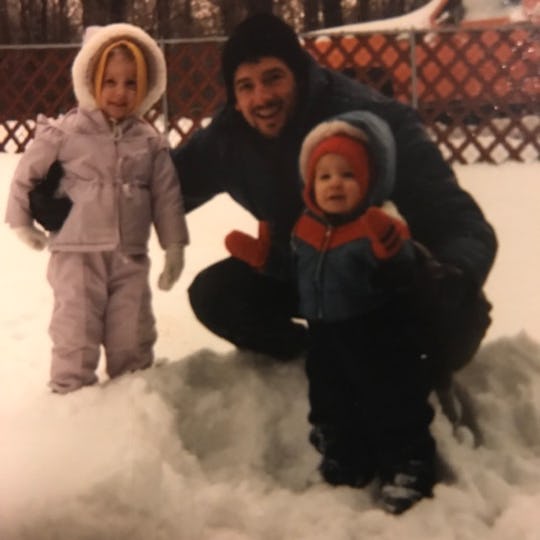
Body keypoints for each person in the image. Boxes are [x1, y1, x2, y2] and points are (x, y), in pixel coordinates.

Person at [28, 15, 495, 398]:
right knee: (216, 294)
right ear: (234, 95)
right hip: (307, 271)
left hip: (390, 278)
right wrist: (67, 198)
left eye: (273, 78)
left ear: (301, 73)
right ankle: (322, 356)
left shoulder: (374, 124)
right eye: (245, 86)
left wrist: (453, 273)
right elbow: (156, 188)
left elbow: (464, 223)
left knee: (447, 324)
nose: (262, 98)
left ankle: (398, 371)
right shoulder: (230, 138)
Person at [5, 23, 189, 393]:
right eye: (111, 82)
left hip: (129, 258)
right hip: (76, 256)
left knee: (131, 332)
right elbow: (26, 175)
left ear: (146, 87)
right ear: (91, 82)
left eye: (131, 83)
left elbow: (166, 197)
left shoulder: (149, 143)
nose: (121, 93)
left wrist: (174, 247)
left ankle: (131, 401)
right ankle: (71, 401)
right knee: (76, 330)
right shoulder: (66, 132)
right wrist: (21, 222)